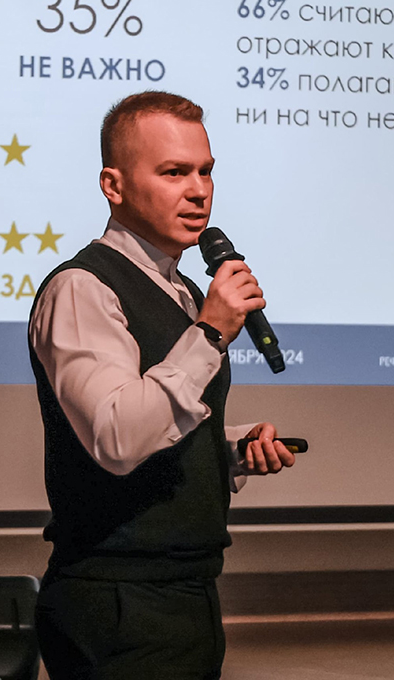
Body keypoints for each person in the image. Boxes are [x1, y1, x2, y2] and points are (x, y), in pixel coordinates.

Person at [28, 91, 296, 679]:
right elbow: (117, 436)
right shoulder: (84, 288)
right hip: (119, 598)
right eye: (174, 172)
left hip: (188, 589)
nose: (198, 191)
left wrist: (229, 447)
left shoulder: (185, 292)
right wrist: (210, 333)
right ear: (113, 185)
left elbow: (156, 421)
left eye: (205, 171)